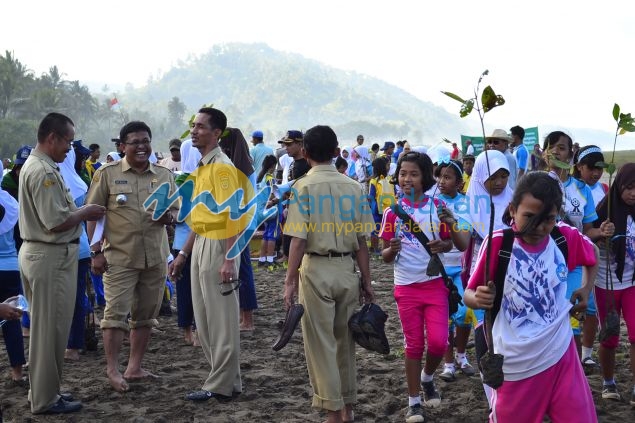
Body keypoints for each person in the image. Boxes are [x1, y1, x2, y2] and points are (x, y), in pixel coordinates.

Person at [464, 172, 599, 423]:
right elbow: (468, 295)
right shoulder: (498, 245)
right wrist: (479, 297)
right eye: (529, 217)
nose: (538, 227)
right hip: (516, 364)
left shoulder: (563, 237)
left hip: (562, 355)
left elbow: (594, 253)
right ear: (513, 210)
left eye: (548, 219)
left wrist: (586, 288)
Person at [282, 125, 374, 423]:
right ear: (337, 152)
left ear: (305, 152)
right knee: (344, 342)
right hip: (347, 269)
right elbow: (362, 242)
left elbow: (297, 240)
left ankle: (333, 413)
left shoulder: (303, 187)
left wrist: (289, 281)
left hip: (316, 269)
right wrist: (367, 281)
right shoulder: (353, 186)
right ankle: (346, 409)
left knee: (320, 345)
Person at [19, 112, 106, 414]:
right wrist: (86, 212)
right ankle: (44, 399)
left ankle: (48, 391)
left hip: (49, 256)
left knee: (54, 329)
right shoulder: (42, 171)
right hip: (49, 257)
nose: (70, 148)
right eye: (67, 141)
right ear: (52, 138)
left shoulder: (43, 166)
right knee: (47, 331)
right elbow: (55, 222)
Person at [86, 120, 178, 393]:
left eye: (145, 141)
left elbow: (174, 212)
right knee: (114, 315)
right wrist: (95, 252)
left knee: (145, 316)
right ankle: (112, 369)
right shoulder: (108, 174)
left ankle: (134, 367)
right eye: (135, 142)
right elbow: (93, 213)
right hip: (120, 258)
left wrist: (169, 218)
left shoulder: (163, 175)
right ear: (123, 146)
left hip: (155, 257)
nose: (141, 146)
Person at [169, 107, 242, 402]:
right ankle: (227, 380)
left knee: (220, 318)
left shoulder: (222, 167)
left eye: (201, 126)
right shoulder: (205, 166)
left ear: (217, 133)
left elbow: (231, 216)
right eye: (193, 126)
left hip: (219, 245)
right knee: (205, 316)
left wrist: (228, 259)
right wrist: (184, 253)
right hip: (201, 244)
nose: (195, 131)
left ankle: (220, 384)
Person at [379, 151, 455, 422]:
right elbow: (384, 255)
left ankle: (427, 377)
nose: (407, 179)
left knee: (438, 342)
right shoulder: (392, 212)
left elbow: (450, 243)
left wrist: (441, 245)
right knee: (413, 345)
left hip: (434, 285)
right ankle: (413, 402)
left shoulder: (437, 209)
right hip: (406, 287)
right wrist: (392, 249)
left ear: (425, 178)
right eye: (402, 173)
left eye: (413, 174)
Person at [542, 131, 614, 357]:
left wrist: (600, 231)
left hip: (572, 262)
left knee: (571, 317)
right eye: (551, 146)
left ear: (571, 154)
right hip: (543, 263)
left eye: (562, 147)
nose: (556, 151)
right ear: (544, 153)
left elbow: (587, 230)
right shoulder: (537, 184)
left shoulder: (581, 190)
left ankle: (572, 369)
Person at [433, 159, 479, 382]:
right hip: (438, 268)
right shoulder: (432, 202)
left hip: (461, 268)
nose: (442, 181)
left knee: (463, 315)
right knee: (444, 317)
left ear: (460, 183)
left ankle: (462, 356)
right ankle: (448, 363)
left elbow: (466, 235)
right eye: (440, 176)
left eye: (448, 177)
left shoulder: (467, 203)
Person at [593, 163, 635, 403]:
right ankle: (608, 383)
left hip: (632, 282)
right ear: (619, 186)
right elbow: (586, 233)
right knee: (609, 337)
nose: (633, 193)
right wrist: (600, 232)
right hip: (606, 283)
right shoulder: (605, 208)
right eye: (629, 187)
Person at [573, 144, 609, 369]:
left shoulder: (604, 189)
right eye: (591, 168)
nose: (596, 173)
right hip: (576, 254)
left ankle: (586, 352)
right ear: (580, 167)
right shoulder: (573, 189)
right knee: (578, 305)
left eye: (599, 168)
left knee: (593, 307)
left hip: (597, 252)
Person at [220, 127, 258, 331]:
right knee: (242, 270)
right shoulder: (246, 165)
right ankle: (245, 317)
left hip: (240, 225)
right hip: (245, 224)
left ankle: (247, 319)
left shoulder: (237, 170)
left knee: (242, 270)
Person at [58, 147, 92, 362]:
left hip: (67, 247)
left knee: (69, 299)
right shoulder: (80, 184)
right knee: (76, 296)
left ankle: (72, 344)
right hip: (82, 247)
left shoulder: (55, 183)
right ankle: (73, 344)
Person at [0, 160, 26, 387]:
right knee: (11, 321)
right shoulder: (9, 201)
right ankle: (17, 372)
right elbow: (20, 238)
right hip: (10, 266)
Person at [257, 155, 280, 267]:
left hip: (262, 209)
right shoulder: (270, 178)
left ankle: (262, 258)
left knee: (266, 234)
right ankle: (270, 259)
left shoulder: (261, 178)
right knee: (272, 234)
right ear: (273, 165)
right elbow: (273, 193)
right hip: (272, 209)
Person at [368, 156, 394, 254]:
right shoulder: (374, 181)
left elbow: (394, 192)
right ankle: (374, 248)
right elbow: (371, 196)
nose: (389, 167)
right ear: (382, 167)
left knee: (387, 228)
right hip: (378, 209)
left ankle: (385, 248)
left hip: (389, 208)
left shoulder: (390, 179)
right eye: (387, 165)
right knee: (376, 228)